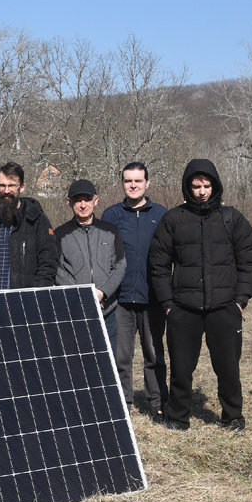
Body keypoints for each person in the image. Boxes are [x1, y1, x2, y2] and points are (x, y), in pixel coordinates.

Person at [149, 159, 252, 433]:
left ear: (215, 186)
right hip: (183, 309)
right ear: (188, 187)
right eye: (196, 186)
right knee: (182, 370)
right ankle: (177, 417)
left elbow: (248, 261)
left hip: (224, 308)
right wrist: (168, 304)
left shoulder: (232, 218)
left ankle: (232, 418)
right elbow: (158, 264)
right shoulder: (173, 219)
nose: (202, 191)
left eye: (207, 185)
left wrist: (240, 301)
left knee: (228, 369)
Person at [102, 161, 169, 415]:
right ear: (122, 183)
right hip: (120, 298)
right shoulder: (111, 215)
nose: (133, 185)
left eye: (138, 181)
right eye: (128, 180)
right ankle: (123, 402)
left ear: (147, 183)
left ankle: (157, 402)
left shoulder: (162, 214)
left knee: (154, 354)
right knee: (121, 356)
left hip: (152, 296)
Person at [55, 179, 125, 362]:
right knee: (80, 366)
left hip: (107, 312)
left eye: (87, 199)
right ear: (69, 202)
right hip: (76, 312)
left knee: (109, 364)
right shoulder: (60, 234)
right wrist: (84, 296)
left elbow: (120, 265)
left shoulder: (110, 231)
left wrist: (102, 293)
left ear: (96, 200)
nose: (83, 205)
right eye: (78, 200)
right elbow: (57, 270)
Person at [0, 161, 59, 290]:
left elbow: (48, 263)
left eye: (12, 185)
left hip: (26, 301)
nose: (7, 191)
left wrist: (36, 295)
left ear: (22, 187)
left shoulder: (37, 220)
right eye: (2, 186)